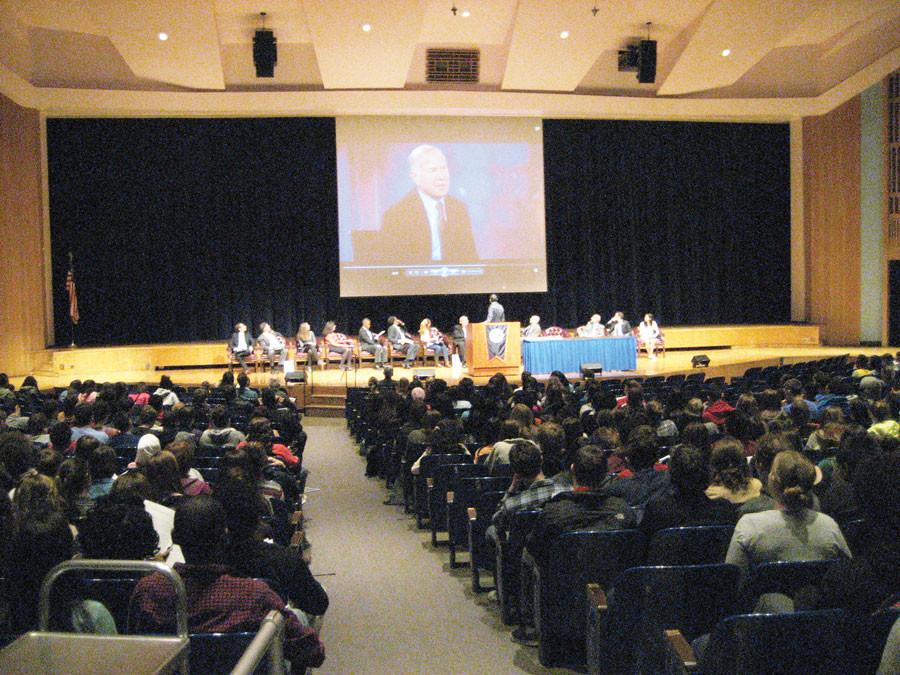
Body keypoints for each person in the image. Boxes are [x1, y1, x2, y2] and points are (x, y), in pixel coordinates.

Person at [129, 496, 325, 670]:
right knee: (297, 616)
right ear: (224, 537)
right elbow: (313, 652)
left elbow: (136, 653)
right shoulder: (255, 596)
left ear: (175, 538)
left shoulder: (148, 591)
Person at [724, 450, 851, 584]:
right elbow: (848, 577)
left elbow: (732, 583)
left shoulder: (748, 525)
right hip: (818, 603)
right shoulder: (829, 526)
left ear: (772, 480)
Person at [378, 144, 477, 264]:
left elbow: (471, 258)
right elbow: (392, 266)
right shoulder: (396, 215)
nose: (442, 177)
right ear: (415, 177)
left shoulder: (459, 209)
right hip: (414, 281)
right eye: (433, 170)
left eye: (444, 168)